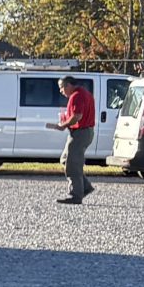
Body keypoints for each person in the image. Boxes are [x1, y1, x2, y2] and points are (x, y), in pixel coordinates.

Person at [56, 75, 96, 203]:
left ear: (68, 85)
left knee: (73, 163)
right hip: (83, 132)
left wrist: (63, 125)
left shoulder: (77, 96)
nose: (61, 91)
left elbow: (77, 116)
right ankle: (85, 187)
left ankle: (75, 195)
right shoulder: (84, 93)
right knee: (65, 159)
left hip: (80, 133)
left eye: (61, 88)